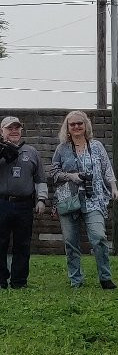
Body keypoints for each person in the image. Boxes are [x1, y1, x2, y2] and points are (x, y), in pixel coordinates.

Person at [50, 111, 118, 289]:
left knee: (99, 237)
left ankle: (105, 277)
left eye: (79, 123)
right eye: (72, 124)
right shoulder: (61, 148)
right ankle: (76, 280)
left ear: (86, 125)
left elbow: (107, 168)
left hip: (93, 198)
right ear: (67, 127)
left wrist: (113, 188)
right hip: (69, 200)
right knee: (71, 242)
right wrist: (71, 176)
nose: (76, 127)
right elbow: (54, 173)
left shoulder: (96, 146)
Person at [0, 116, 48, 289]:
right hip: (2, 203)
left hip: (24, 205)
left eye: (17, 128)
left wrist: (41, 199)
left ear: (21, 130)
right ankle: (0, 281)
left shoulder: (31, 151)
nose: (14, 131)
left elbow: (40, 178)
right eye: (9, 128)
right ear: (2, 131)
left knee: (22, 243)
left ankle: (19, 282)